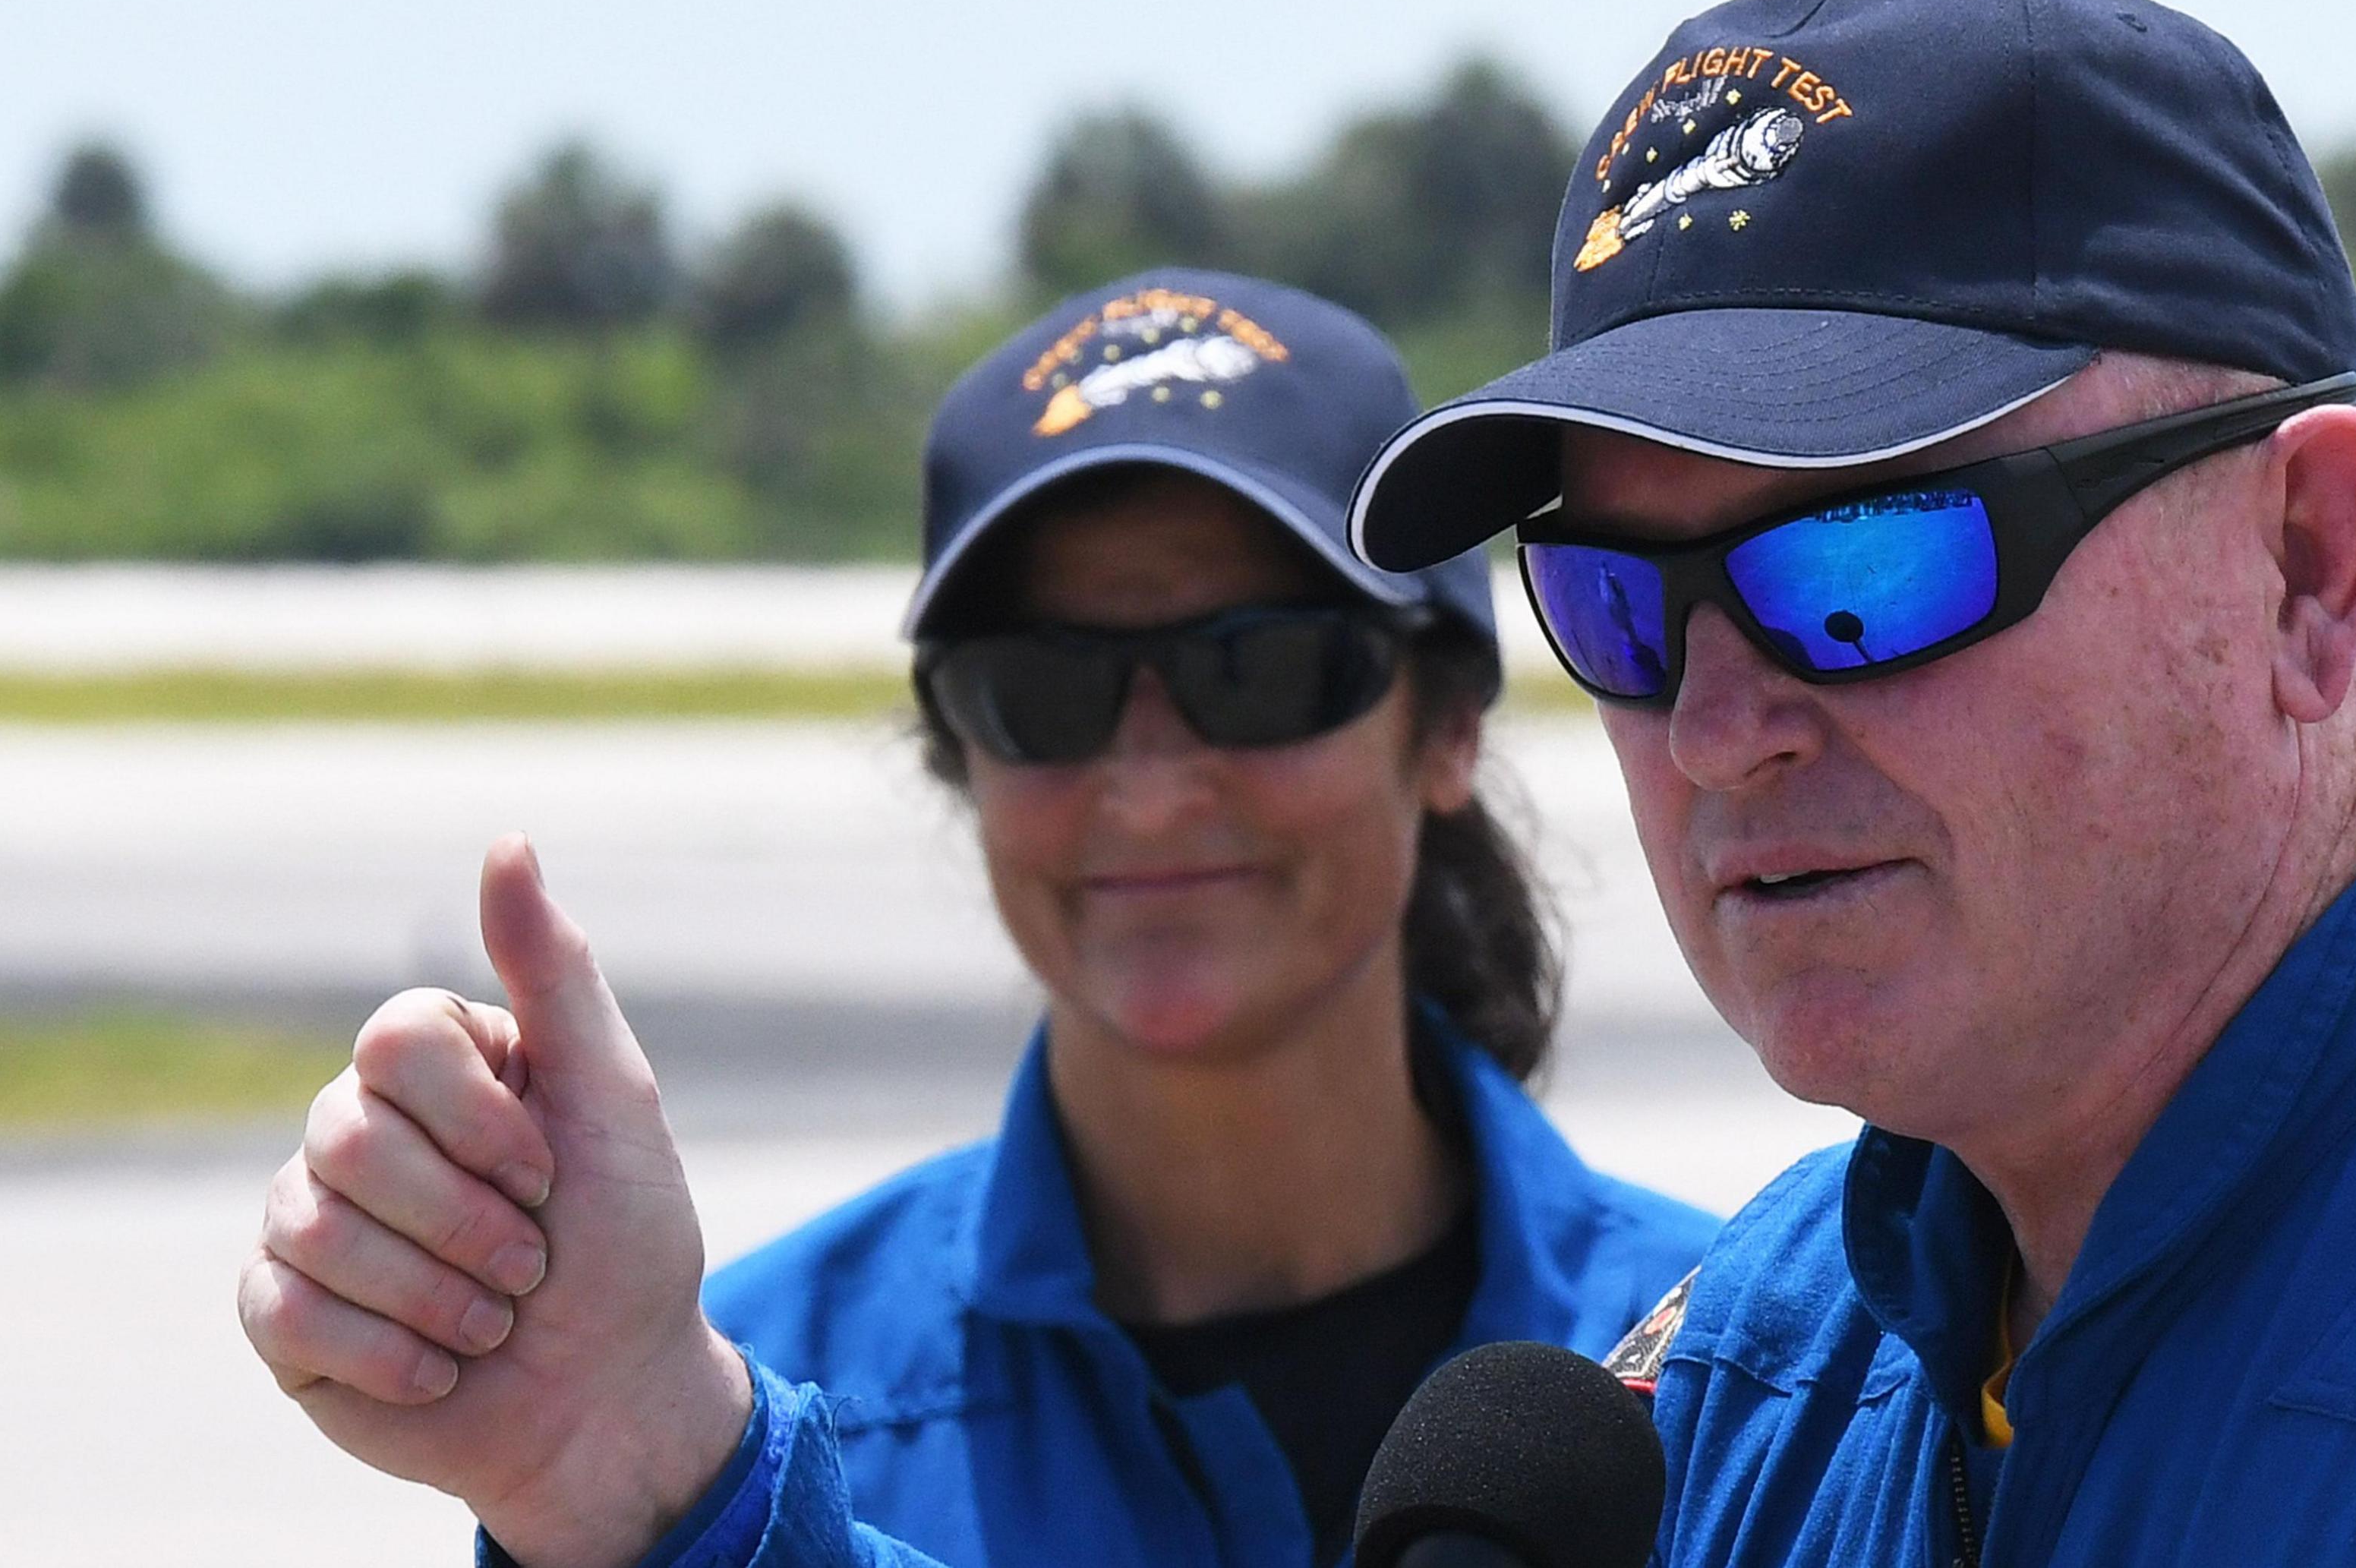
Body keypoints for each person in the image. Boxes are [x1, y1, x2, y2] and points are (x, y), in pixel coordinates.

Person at [1339, 0, 2356, 1566]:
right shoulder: (1748, 1380)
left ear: (2308, 562)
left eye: (1864, 570)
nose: (1720, 734)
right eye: (1612, 604)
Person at [234, 268, 1715, 1568]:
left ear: (1450, 722)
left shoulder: (1754, 1366)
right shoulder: (709, 1404)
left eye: (1258, 669)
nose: (1147, 788)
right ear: (960, 758)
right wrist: (615, 1490)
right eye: (1044, 691)